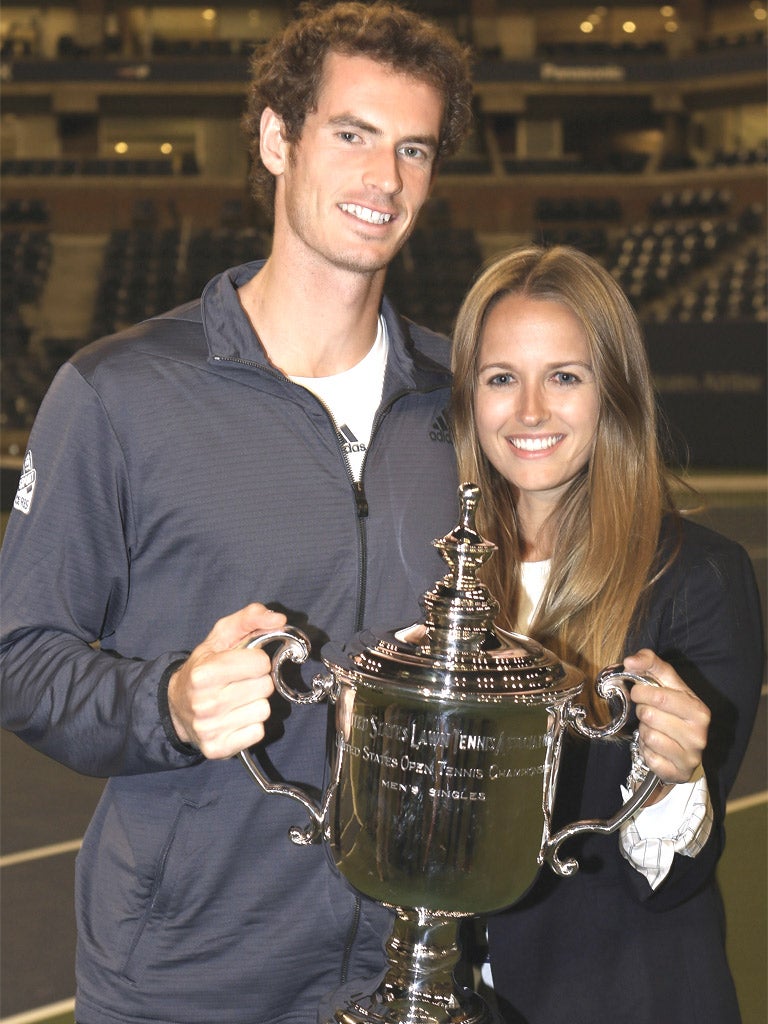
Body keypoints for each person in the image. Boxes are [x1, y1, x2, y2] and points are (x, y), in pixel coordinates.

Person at [0, 5, 473, 1022]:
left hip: (410, 957)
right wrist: (165, 704)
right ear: (276, 139)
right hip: (187, 976)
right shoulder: (118, 392)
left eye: (414, 148)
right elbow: (20, 653)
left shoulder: (466, 394)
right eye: (351, 134)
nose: (383, 178)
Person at [450, 245, 763, 1024]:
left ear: (613, 393)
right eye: (500, 378)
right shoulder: (447, 581)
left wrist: (676, 775)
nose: (529, 410)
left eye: (564, 376)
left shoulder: (697, 577)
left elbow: (670, 881)